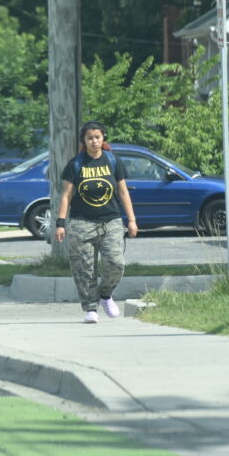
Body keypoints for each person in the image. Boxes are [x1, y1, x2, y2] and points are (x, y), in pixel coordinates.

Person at [54, 121, 138, 324]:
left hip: (111, 221)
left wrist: (132, 220)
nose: (94, 141)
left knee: (116, 263)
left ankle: (106, 294)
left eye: (98, 137)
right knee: (84, 268)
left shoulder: (113, 161)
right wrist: (60, 223)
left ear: (103, 138)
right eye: (90, 138)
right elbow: (66, 195)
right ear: (84, 140)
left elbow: (123, 191)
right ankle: (90, 308)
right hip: (81, 222)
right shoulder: (75, 164)